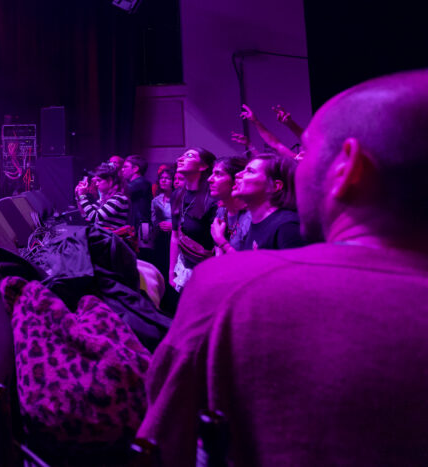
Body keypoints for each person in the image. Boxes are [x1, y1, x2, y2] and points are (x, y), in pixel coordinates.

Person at [137, 68, 428, 465]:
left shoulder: (230, 286)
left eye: (305, 153)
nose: (295, 167)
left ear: (347, 169)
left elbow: (162, 445)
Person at [231, 153, 307, 250]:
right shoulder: (257, 222)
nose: (237, 175)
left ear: (274, 186)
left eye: (250, 171)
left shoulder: (287, 227)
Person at [168, 148, 217, 291]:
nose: (180, 159)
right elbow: (175, 236)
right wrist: (171, 271)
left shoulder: (212, 197)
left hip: (207, 268)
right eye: (181, 156)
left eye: (189, 155)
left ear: (203, 166)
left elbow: (218, 245)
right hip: (183, 267)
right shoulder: (177, 195)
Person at [207, 156, 250, 253]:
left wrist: (221, 241)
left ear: (237, 180)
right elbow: (219, 253)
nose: (209, 179)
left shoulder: (250, 217)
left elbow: (250, 260)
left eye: (218, 174)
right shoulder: (222, 211)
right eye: (212, 174)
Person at [121, 154, 152, 243]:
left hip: (139, 229)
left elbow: (120, 193)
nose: (122, 169)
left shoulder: (141, 183)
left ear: (135, 169)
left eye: (125, 167)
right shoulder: (137, 183)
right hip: (136, 227)